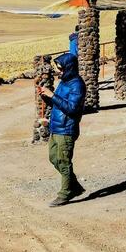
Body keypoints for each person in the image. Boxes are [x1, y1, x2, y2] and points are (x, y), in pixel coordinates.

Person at [43, 50, 86, 206]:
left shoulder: (77, 85)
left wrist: (53, 95)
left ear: (69, 68)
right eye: (58, 68)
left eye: (60, 68)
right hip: (56, 127)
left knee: (64, 160)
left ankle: (65, 193)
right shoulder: (64, 82)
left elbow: (72, 108)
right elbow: (59, 104)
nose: (58, 71)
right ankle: (74, 186)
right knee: (54, 158)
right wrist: (47, 97)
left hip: (67, 128)